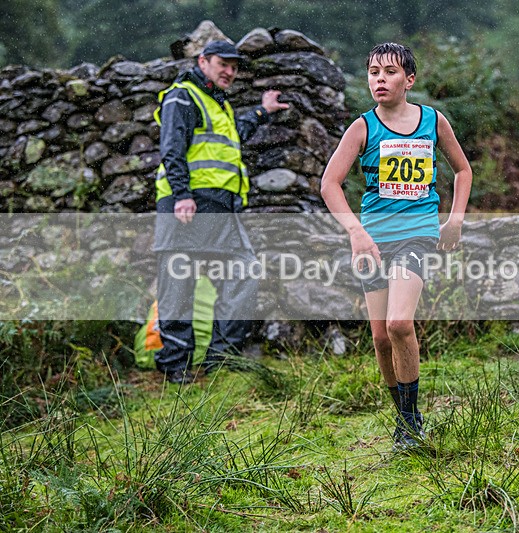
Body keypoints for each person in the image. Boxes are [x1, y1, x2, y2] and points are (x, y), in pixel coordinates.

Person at [320, 42, 472, 451]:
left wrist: (454, 219)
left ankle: (410, 423)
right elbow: (329, 184)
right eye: (373, 72)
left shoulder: (432, 121)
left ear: (410, 80)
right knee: (380, 339)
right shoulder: (362, 128)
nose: (379, 79)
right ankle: (405, 419)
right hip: (372, 241)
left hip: (417, 232)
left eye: (388, 72)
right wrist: (355, 231)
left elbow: (462, 170)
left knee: (399, 324)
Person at [152, 40, 289, 384]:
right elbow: (172, 147)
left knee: (243, 275)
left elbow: (233, 139)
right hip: (187, 206)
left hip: (222, 211)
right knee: (179, 286)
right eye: (222, 64)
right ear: (203, 61)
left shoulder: (219, 104)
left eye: (234, 66)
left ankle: (221, 361)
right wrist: (182, 195)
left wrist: (262, 112)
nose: (230, 71)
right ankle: (177, 370)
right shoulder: (182, 95)